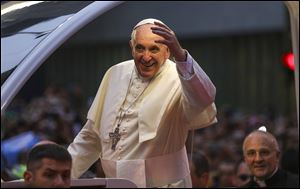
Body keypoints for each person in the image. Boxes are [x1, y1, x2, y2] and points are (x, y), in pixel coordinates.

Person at [68, 18, 217, 187]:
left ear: (168, 51)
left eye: (154, 49)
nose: (146, 57)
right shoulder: (115, 73)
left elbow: (205, 98)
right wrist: (62, 174)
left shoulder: (180, 79)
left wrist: (181, 56)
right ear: (132, 47)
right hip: (116, 184)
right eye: (140, 48)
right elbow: (91, 137)